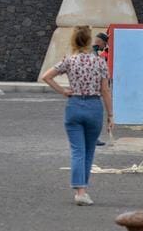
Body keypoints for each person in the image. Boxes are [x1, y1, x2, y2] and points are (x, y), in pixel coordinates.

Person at [41, 25, 113, 206]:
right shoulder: (100, 62)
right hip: (94, 106)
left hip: (74, 105)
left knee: (77, 150)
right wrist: (110, 115)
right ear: (90, 41)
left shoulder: (69, 60)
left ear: (74, 41)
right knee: (89, 150)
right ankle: (82, 191)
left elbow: (47, 76)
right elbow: (105, 90)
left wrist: (64, 91)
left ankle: (79, 189)